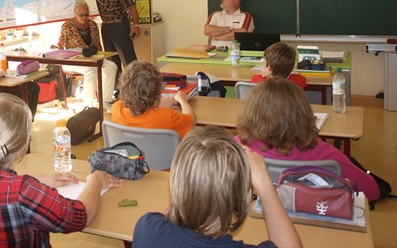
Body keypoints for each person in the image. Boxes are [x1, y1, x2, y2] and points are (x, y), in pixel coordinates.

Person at [0, 93, 123, 248]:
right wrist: (95, 181)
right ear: (20, 147)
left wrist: (32, 179)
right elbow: (79, 216)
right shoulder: (23, 192)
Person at [132, 126, 302, 248]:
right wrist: (265, 186)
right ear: (239, 196)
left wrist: (192, 181)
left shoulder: (147, 228)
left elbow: (170, 215)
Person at [236, 77, 380, 201]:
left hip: (259, 213)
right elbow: (372, 191)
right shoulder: (326, 155)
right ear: (304, 113)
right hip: (315, 215)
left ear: (252, 113)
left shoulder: (237, 146)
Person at [54, 0, 117, 110]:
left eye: (86, 14)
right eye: (81, 15)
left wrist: (103, 57)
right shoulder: (67, 26)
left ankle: (105, 100)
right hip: (72, 60)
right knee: (91, 69)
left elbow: (98, 44)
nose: (84, 17)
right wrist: (55, 48)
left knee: (112, 66)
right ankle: (88, 104)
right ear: (75, 13)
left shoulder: (92, 25)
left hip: (91, 57)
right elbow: (59, 44)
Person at [111, 61, 195, 139]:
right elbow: (192, 120)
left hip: (129, 150)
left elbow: (141, 110)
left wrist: (159, 104)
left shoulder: (117, 108)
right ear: (157, 89)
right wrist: (182, 100)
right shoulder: (166, 117)